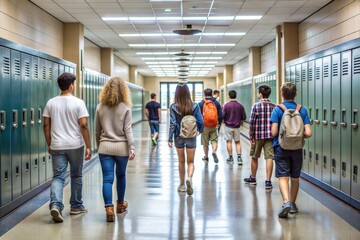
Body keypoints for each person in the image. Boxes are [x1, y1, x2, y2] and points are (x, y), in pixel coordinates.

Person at [43, 72, 92, 223]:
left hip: (57, 145)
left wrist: (49, 143)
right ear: (71, 85)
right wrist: (89, 146)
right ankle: (76, 206)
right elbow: (83, 125)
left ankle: (56, 205)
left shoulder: (51, 102)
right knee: (76, 175)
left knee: (58, 177)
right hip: (75, 145)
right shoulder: (79, 102)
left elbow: (46, 124)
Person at [95, 77, 136, 222]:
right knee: (121, 175)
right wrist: (131, 146)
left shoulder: (100, 107)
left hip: (104, 147)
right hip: (121, 148)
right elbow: (128, 130)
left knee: (107, 178)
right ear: (124, 91)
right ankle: (120, 205)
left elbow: (97, 130)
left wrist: (99, 145)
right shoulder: (126, 107)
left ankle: (109, 209)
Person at [270, 82, 312, 218]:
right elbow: (309, 133)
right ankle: (293, 204)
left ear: (282, 94)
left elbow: (274, 132)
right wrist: (297, 134)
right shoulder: (302, 110)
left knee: (283, 176)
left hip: (281, 147)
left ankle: (286, 202)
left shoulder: (277, 109)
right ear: (296, 94)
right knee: (295, 177)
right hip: (297, 148)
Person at [168, 84, 203, 195]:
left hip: (178, 136)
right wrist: (199, 131)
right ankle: (189, 178)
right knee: (191, 161)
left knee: (181, 161)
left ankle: (182, 184)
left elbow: (173, 124)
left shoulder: (173, 106)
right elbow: (200, 121)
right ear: (189, 93)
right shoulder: (195, 106)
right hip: (191, 136)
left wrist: (169, 138)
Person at [244, 84, 276, 189]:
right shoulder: (273, 106)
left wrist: (251, 136)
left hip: (258, 136)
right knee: (269, 157)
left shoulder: (256, 106)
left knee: (254, 157)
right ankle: (268, 181)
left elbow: (252, 122)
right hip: (270, 136)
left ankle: (253, 178)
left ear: (260, 94)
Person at [222, 90, 247, 165]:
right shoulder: (240, 105)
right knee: (237, 142)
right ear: (236, 96)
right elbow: (244, 117)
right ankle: (239, 158)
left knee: (229, 142)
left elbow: (222, 116)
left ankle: (231, 158)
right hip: (237, 127)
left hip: (228, 126)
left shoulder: (226, 105)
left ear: (229, 96)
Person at [198, 88, 222, 164]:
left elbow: (198, 117)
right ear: (212, 94)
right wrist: (219, 124)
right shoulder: (216, 103)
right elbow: (221, 115)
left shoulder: (201, 103)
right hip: (214, 125)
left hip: (204, 125)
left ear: (204, 94)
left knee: (205, 143)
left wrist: (199, 127)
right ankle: (214, 151)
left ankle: (206, 157)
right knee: (214, 140)